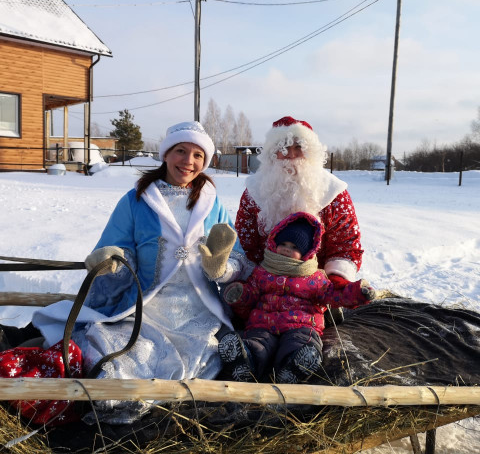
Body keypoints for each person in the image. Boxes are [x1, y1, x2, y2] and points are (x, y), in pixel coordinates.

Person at [5, 121, 251, 424]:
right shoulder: (137, 200)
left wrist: (222, 268)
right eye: (181, 151)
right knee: (120, 358)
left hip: (199, 311)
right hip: (145, 308)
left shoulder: (212, 204)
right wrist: (114, 260)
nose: (188, 161)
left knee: (204, 363)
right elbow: (113, 249)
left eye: (198, 155)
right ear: (165, 154)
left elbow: (237, 258)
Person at [218, 212, 375, 384]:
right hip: (264, 324)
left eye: (294, 247)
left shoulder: (314, 277)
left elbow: (334, 295)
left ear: (306, 252)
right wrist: (239, 294)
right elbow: (252, 293)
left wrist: (358, 293)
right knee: (258, 343)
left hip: (301, 326)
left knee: (300, 343)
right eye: (283, 243)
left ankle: (295, 367)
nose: (286, 249)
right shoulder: (263, 271)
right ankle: (246, 362)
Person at [235, 116, 363, 294]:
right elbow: (244, 245)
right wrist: (251, 282)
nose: (292, 155)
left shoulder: (334, 192)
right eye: (283, 148)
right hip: (263, 287)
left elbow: (345, 244)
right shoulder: (254, 192)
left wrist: (335, 282)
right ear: (272, 152)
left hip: (319, 289)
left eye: (299, 147)